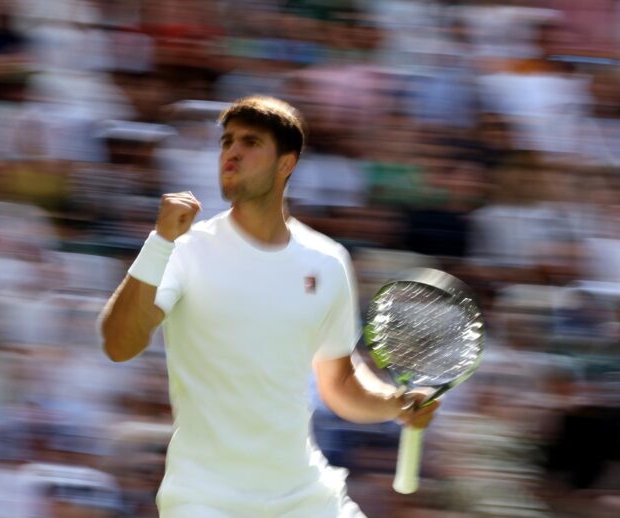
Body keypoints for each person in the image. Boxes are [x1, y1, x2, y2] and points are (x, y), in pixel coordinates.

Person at [99, 96, 438, 517]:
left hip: (304, 496)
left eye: (251, 142)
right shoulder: (182, 250)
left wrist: (395, 403)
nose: (232, 152)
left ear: (286, 164)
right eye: (227, 142)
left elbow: (340, 384)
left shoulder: (327, 261)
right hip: (205, 499)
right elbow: (119, 344)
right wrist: (159, 243)